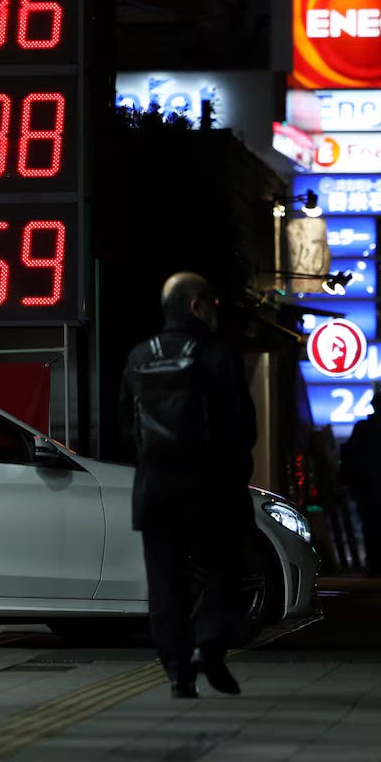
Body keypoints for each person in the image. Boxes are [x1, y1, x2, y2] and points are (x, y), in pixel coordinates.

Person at [119, 272, 257, 699]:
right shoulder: (218, 354)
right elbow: (243, 426)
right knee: (226, 568)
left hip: (155, 489)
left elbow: (125, 425)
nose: (216, 310)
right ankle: (210, 643)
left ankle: (179, 675)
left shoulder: (139, 356)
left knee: (166, 583)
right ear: (196, 306)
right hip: (212, 487)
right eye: (212, 302)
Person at [339, 392, 381, 576]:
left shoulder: (362, 428)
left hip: (365, 486)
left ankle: (373, 559)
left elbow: (349, 453)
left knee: (369, 524)